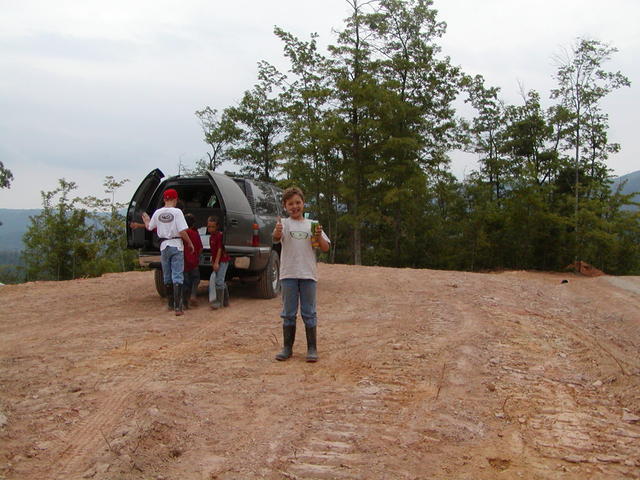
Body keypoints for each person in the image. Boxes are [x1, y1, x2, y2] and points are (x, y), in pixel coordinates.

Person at [272, 186, 330, 362]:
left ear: (304, 203)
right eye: (291, 204)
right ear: (285, 206)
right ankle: (287, 348)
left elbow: (326, 247)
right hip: (288, 274)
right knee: (288, 312)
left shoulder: (312, 225)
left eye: (298, 202)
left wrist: (319, 236)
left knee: (309, 312)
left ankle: (312, 349)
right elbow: (275, 238)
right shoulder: (284, 224)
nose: (295, 206)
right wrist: (277, 231)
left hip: (308, 275)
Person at [136, 189, 194, 316]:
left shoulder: (157, 213)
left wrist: (146, 220)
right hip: (176, 245)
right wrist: (189, 243)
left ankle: (170, 303)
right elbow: (183, 231)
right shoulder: (177, 212)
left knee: (167, 274)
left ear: (164, 199)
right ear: (176, 199)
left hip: (163, 246)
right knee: (177, 275)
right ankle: (178, 307)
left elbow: (149, 227)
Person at [207, 216, 230, 310]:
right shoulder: (211, 237)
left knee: (219, 281)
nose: (210, 229)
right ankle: (225, 300)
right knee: (219, 279)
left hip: (223, 260)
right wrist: (213, 261)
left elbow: (220, 249)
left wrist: (216, 262)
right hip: (216, 260)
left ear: (217, 227)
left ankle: (219, 302)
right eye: (209, 227)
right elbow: (213, 251)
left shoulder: (219, 236)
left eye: (212, 227)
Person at [182, 213, 203, 309]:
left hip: (183, 262)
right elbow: (200, 248)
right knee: (196, 279)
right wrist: (197, 257)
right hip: (193, 262)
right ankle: (193, 295)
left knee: (185, 282)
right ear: (193, 224)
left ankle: (184, 303)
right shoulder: (195, 233)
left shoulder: (182, 233)